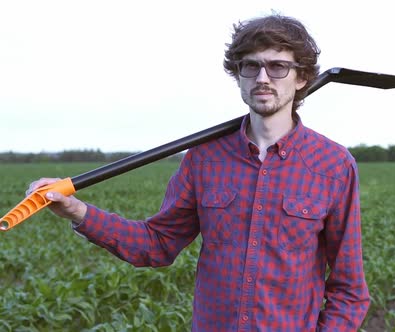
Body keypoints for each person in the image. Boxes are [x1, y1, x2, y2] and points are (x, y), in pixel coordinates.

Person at [27, 14, 370, 331]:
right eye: (251, 66)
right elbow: (157, 244)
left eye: (278, 66)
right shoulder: (204, 159)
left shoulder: (332, 165)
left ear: (302, 78)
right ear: (239, 75)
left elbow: (349, 289)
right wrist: (78, 211)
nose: (262, 78)